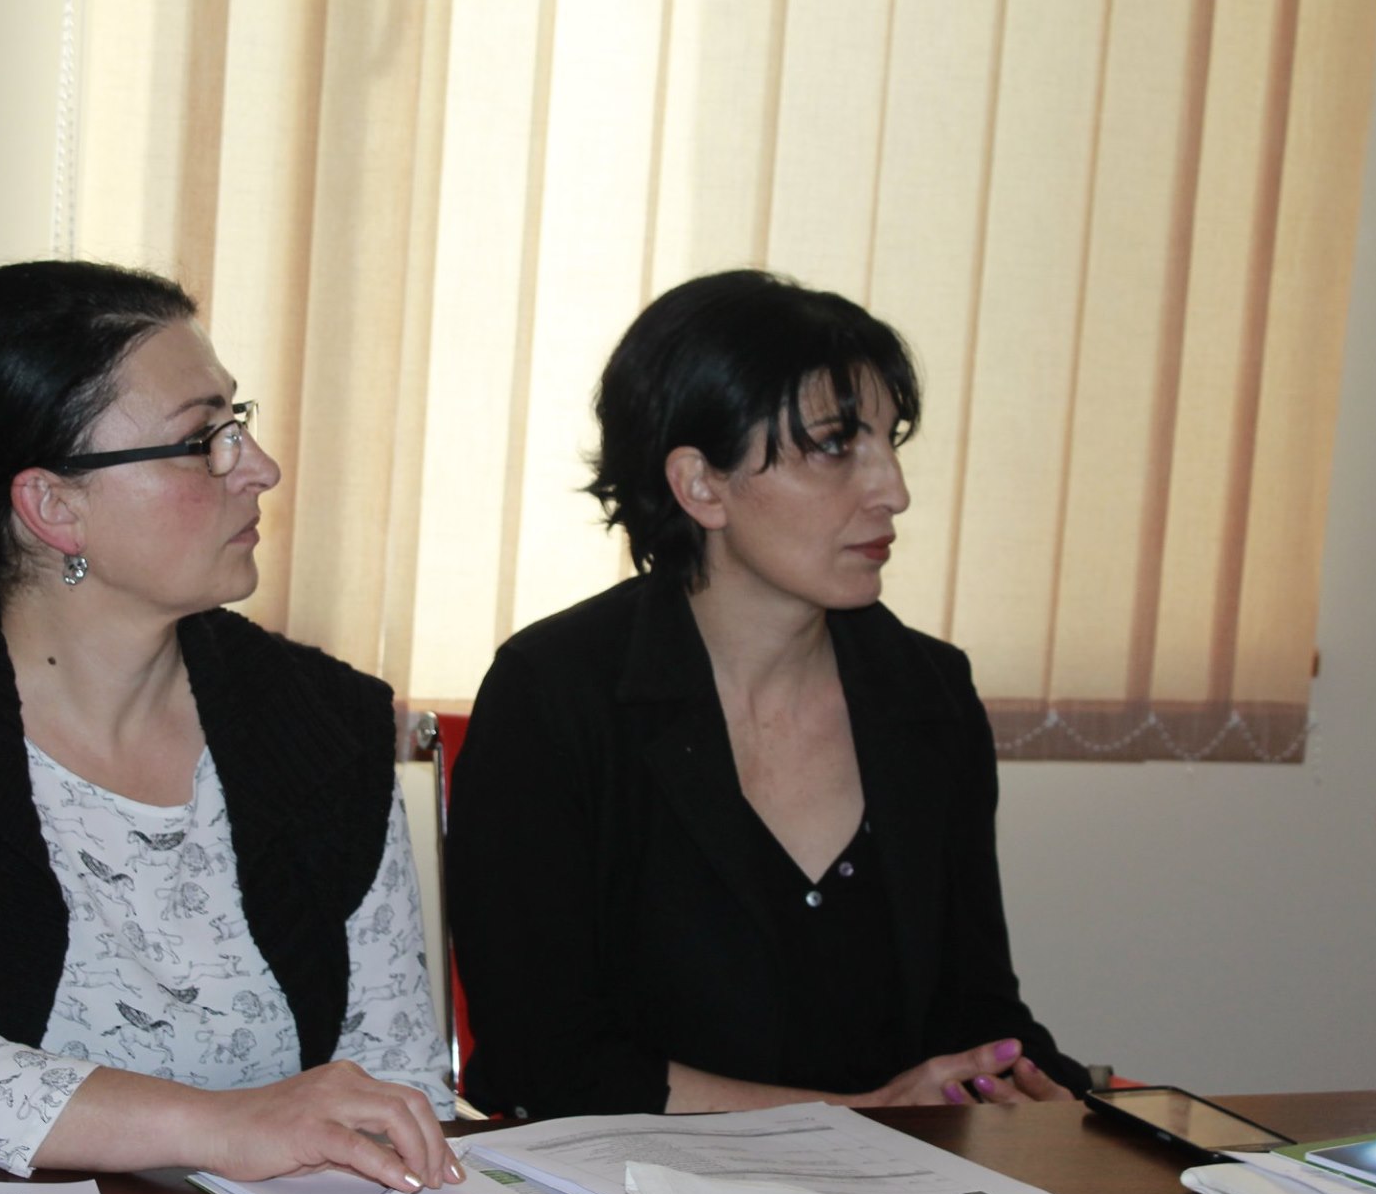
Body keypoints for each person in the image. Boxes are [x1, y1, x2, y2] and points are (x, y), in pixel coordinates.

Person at [0, 260, 459, 1194]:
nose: (259, 468)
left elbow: (395, 1075)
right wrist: (218, 1126)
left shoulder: (324, 726)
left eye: (239, 422)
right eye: (204, 440)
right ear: (53, 506)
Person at [445, 269, 1089, 1120]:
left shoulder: (926, 691)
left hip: (902, 1181)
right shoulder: (555, 693)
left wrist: (1059, 1098)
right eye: (835, 446)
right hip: (628, 1182)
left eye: (890, 441)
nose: (894, 490)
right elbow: (546, 1059)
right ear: (700, 484)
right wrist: (856, 1119)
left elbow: (974, 1008)